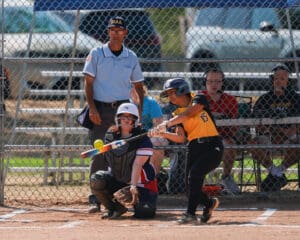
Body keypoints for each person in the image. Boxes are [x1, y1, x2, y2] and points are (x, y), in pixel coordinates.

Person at [82, 16, 144, 213]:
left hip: (123, 110)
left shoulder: (131, 56)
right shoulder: (97, 53)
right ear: (108, 32)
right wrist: (92, 108)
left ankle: (124, 195)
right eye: (112, 30)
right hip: (100, 109)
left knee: (125, 153)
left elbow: (139, 87)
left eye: (119, 30)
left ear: (125, 33)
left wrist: (139, 113)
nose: (116, 33)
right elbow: (88, 83)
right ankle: (95, 197)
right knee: (99, 152)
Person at [150, 78, 224, 224]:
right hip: (194, 148)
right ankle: (209, 204)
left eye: (172, 92)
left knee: (195, 174)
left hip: (212, 145)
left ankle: (190, 214)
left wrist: (168, 123)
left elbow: (190, 113)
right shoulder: (176, 114)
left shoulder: (198, 98)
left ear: (182, 90)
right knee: (189, 187)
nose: (170, 97)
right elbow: (180, 138)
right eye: (168, 94)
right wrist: (162, 133)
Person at [90, 103, 158, 219]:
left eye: (130, 118)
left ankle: (141, 203)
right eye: (123, 117)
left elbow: (137, 164)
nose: (126, 120)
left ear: (135, 121)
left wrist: (133, 186)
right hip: (119, 178)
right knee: (97, 179)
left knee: (144, 213)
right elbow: (110, 162)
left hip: (141, 183)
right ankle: (116, 208)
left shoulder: (142, 138)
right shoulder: (111, 136)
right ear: (118, 119)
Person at [251, 63, 300, 192]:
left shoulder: (296, 98)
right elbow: (256, 119)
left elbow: (295, 127)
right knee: (252, 143)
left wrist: (280, 127)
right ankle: (276, 172)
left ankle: (279, 171)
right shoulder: (264, 99)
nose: (278, 82)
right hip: (270, 137)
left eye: (282, 79)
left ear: (288, 81)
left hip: (290, 138)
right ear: (272, 80)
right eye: (276, 78)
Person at [201, 68, 241, 195]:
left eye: (217, 81)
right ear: (205, 82)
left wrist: (220, 119)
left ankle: (226, 177)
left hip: (223, 136)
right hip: (202, 136)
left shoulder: (230, 100)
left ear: (223, 83)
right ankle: (198, 181)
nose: (214, 85)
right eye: (210, 81)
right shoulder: (198, 98)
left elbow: (233, 127)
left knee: (229, 145)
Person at [131, 85, 169, 193]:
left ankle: (152, 180)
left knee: (157, 141)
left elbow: (159, 124)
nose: (131, 89)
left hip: (148, 135)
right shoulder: (125, 102)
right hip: (131, 136)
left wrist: (148, 135)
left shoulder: (150, 102)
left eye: (134, 87)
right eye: (129, 87)